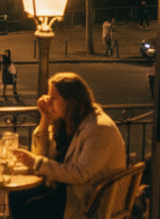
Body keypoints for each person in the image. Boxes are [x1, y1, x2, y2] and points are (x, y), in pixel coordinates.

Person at [12, 73, 126, 219]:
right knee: (17, 194)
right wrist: (45, 118)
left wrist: (35, 162)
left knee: (32, 209)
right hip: (62, 189)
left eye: (54, 98)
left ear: (71, 101)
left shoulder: (99, 128)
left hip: (86, 200)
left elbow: (79, 174)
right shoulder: (65, 121)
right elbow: (41, 154)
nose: (49, 102)